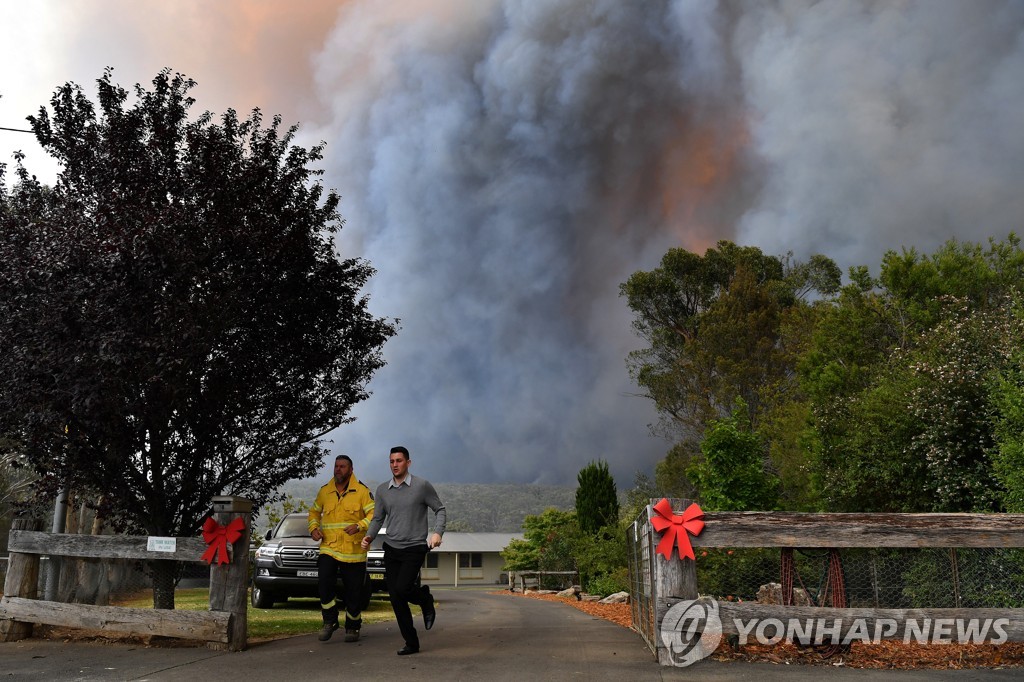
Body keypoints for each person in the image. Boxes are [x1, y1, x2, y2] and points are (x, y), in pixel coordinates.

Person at [361, 445, 446, 655]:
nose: (395, 465)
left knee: (402, 588)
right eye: (391, 461)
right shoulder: (382, 490)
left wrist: (437, 533)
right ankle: (411, 643)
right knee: (396, 598)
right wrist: (369, 535)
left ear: (408, 462)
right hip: (392, 548)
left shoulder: (421, 486)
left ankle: (425, 599)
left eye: (399, 461)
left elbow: (440, 510)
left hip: (415, 546)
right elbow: (378, 518)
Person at [308, 454, 375, 643]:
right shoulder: (325, 491)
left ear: (351, 469)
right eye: (336, 466)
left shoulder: (362, 491)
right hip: (329, 548)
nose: (338, 469)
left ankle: (353, 627)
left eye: (343, 466)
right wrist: (313, 528)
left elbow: (374, 514)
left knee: (353, 592)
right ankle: (330, 621)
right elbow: (314, 512)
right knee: (324, 583)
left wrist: (360, 525)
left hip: (353, 552)